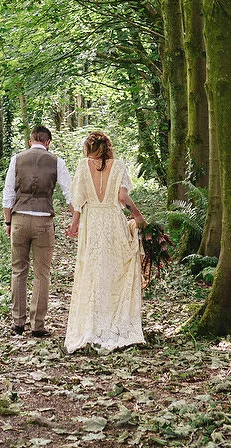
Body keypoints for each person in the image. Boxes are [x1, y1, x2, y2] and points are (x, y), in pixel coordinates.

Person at [64, 130, 146, 352]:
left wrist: (74, 225)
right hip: (112, 220)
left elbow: (78, 202)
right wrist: (138, 215)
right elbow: (122, 197)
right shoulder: (118, 166)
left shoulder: (82, 166)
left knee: (91, 271)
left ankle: (91, 325)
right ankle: (112, 323)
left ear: (88, 148)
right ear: (108, 146)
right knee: (113, 271)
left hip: (92, 220)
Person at [2, 125, 72, 337]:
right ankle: (37, 325)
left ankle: (18, 323)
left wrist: (8, 222)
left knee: (18, 270)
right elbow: (70, 193)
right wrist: (77, 218)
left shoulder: (17, 159)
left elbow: (8, 194)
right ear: (48, 142)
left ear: (30, 140)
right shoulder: (56, 161)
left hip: (20, 220)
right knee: (42, 273)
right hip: (43, 222)